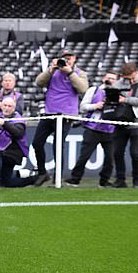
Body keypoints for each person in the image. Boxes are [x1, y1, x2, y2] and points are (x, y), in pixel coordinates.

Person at [32, 49, 88, 186]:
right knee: (37, 143)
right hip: (49, 112)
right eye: (64, 58)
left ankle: (58, 177)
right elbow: (39, 82)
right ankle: (42, 172)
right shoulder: (53, 71)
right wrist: (50, 69)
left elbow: (83, 89)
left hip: (65, 115)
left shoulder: (79, 73)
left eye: (69, 58)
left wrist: (69, 72)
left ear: (74, 58)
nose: (66, 60)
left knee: (58, 146)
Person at [64, 71, 119, 188]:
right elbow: (83, 107)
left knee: (110, 158)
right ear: (104, 78)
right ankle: (75, 179)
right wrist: (95, 106)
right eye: (108, 77)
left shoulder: (119, 94)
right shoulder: (93, 90)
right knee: (84, 156)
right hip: (93, 128)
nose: (110, 80)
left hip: (110, 129)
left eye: (113, 78)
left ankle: (104, 181)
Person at [112, 62, 138, 188]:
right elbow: (114, 96)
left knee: (135, 153)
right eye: (125, 77)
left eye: (129, 76)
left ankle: (137, 181)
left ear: (135, 72)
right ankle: (120, 180)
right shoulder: (119, 83)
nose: (127, 79)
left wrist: (126, 100)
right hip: (121, 122)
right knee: (117, 152)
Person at [0, 97, 37, 188]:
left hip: (12, 153)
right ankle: (33, 179)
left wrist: (4, 124)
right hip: (4, 152)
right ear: (1, 106)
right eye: (5, 105)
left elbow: (18, 133)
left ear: (14, 108)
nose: (6, 108)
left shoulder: (18, 119)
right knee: (7, 182)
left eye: (9, 106)